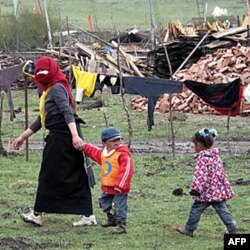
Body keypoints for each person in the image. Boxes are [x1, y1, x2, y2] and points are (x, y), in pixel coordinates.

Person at [12, 56, 96, 227]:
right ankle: (87, 215)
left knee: (50, 174)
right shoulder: (48, 89)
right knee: (70, 173)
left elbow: (67, 111)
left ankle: (38, 214)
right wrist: (23, 136)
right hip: (59, 135)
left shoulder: (57, 88)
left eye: (44, 71)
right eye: (39, 71)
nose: (41, 74)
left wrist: (75, 136)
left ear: (52, 71)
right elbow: (42, 119)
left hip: (64, 136)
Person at [176, 128, 237, 237]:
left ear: (199, 145)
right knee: (223, 211)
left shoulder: (202, 159)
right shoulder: (216, 157)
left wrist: (196, 190)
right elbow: (221, 173)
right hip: (217, 191)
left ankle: (189, 229)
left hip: (205, 193)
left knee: (195, 210)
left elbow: (201, 176)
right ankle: (232, 228)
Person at [80, 127, 134, 234]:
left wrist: (121, 185)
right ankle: (111, 219)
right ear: (104, 143)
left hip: (119, 187)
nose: (116, 142)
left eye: (118, 140)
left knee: (119, 206)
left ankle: (121, 225)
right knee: (104, 202)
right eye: (113, 140)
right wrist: (84, 147)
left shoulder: (122, 154)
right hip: (107, 186)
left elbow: (127, 169)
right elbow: (94, 152)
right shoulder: (104, 153)